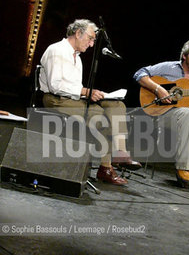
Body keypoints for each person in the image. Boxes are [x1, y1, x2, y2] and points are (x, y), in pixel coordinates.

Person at [39, 19, 141, 186]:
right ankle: (105, 168)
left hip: (73, 98)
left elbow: (75, 87)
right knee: (104, 119)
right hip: (56, 100)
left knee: (116, 106)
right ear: (78, 33)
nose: (92, 44)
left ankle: (121, 151)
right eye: (91, 38)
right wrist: (86, 92)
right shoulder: (56, 50)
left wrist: (93, 94)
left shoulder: (77, 58)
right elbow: (55, 85)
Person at [133, 39, 189, 187]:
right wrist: (158, 89)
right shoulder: (169, 68)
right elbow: (140, 73)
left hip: (187, 120)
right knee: (188, 113)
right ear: (184, 56)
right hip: (162, 115)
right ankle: (183, 167)